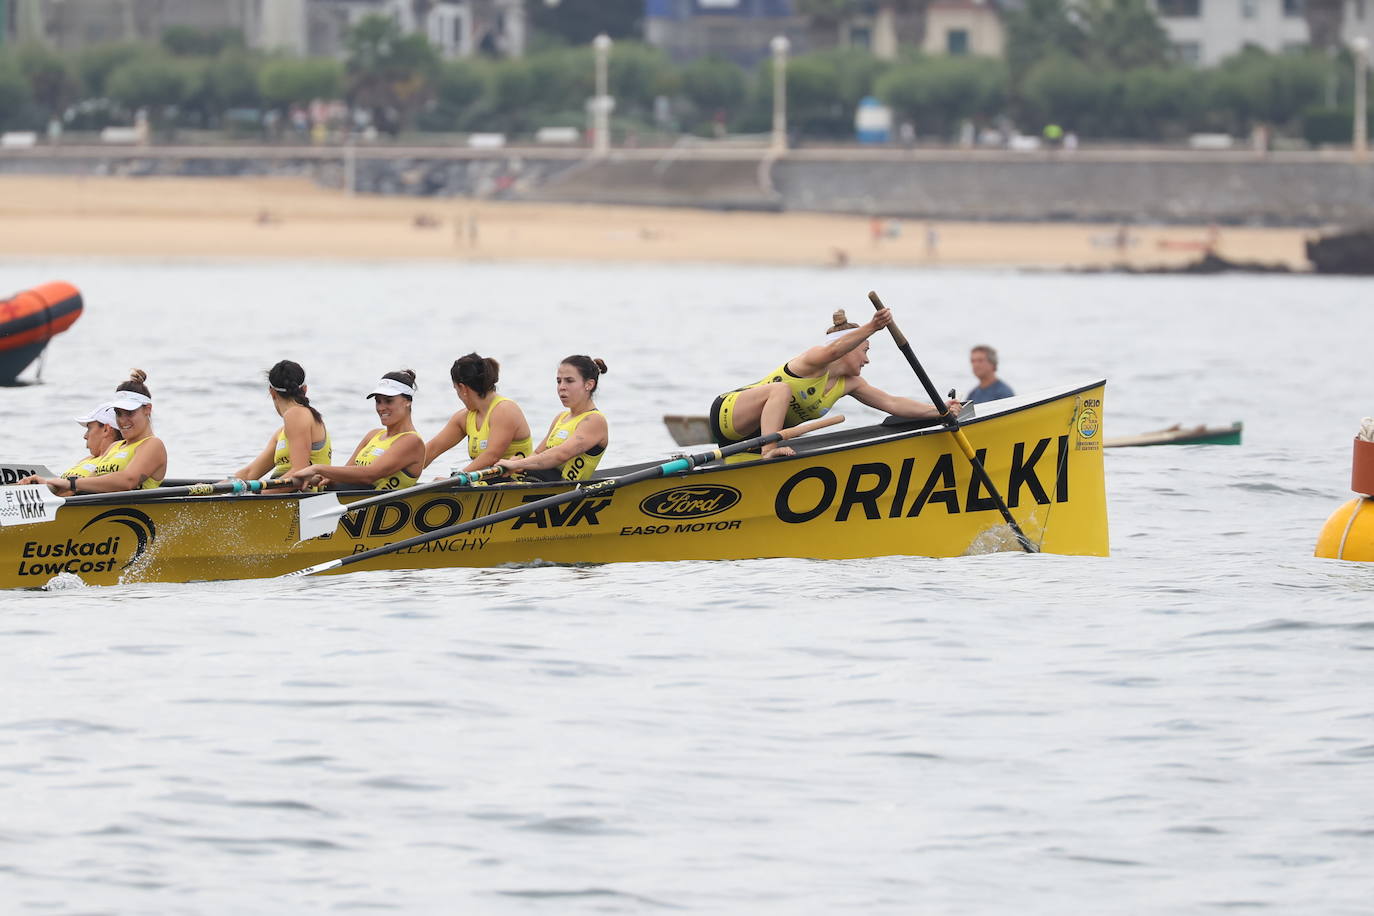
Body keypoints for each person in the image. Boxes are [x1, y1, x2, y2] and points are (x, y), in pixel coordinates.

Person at [710, 309, 960, 459]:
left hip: (756, 437)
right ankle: (770, 450)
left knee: (782, 397)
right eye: (865, 350)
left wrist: (939, 410)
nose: (867, 360)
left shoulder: (850, 383)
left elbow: (892, 403)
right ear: (848, 349)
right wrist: (872, 326)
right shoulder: (815, 359)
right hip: (730, 415)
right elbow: (833, 351)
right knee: (781, 389)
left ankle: (768, 448)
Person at [23, 370, 168, 494]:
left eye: (129, 413)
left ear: (147, 409)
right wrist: (45, 486)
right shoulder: (114, 447)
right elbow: (84, 486)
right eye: (118, 413)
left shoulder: (153, 445)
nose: (123, 420)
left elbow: (128, 481)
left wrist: (71, 483)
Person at [288, 370, 424, 491]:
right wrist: (325, 477)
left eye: (388, 401)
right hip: (346, 501)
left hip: (369, 507)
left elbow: (369, 475)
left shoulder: (412, 441)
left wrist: (317, 468)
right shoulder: (373, 435)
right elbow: (347, 473)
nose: (381, 408)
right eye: (378, 401)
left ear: (408, 402)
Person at [496, 356, 609, 482]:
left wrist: (518, 464)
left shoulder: (594, 420)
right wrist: (519, 463)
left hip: (565, 490)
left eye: (569, 381)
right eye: (559, 381)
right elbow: (538, 454)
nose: (562, 387)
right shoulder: (561, 418)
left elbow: (561, 454)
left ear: (589, 384)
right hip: (539, 482)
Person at [424, 353, 532, 475]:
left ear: (463, 388)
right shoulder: (463, 418)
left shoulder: (505, 410)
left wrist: (457, 478)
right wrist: (405, 470)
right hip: (486, 483)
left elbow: (491, 456)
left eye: (456, 390)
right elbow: (432, 449)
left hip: (517, 482)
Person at [232, 360, 331, 483]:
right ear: (305, 389)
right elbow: (249, 473)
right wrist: (208, 490)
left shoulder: (296, 414)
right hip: (280, 492)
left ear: (272, 392)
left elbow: (300, 471)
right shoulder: (282, 432)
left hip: (297, 496)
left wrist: (261, 494)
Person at [15, 401, 121, 489]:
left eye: (89, 429)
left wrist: (46, 486)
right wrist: (45, 483)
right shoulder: (87, 460)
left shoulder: (115, 461)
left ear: (106, 429)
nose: (85, 436)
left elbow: (75, 491)